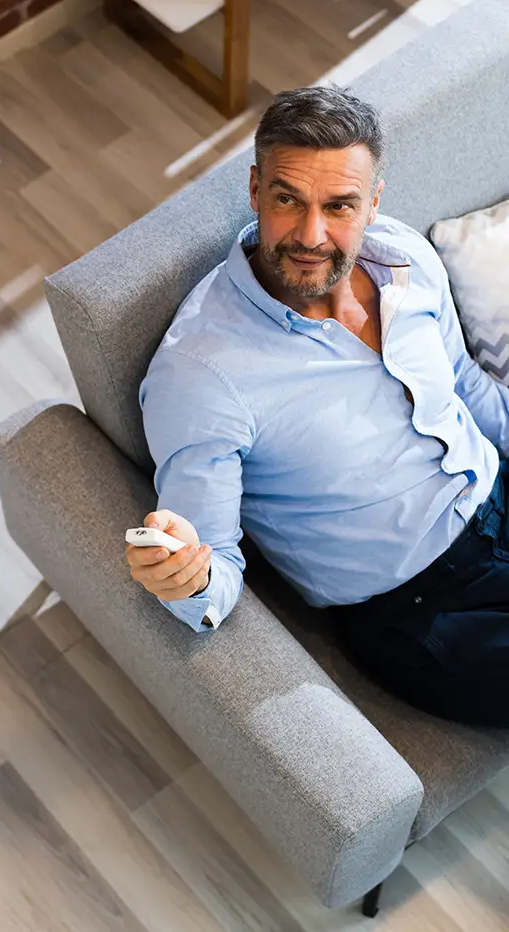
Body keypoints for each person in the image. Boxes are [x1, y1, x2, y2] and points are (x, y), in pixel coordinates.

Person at [126, 85, 509, 728]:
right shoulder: (199, 373)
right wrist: (184, 577)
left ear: (373, 203)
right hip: (422, 608)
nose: (311, 235)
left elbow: (466, 388)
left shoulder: (406, 258)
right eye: (287, 200)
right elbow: (213, 566)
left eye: (339, 207)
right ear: (255, 190)